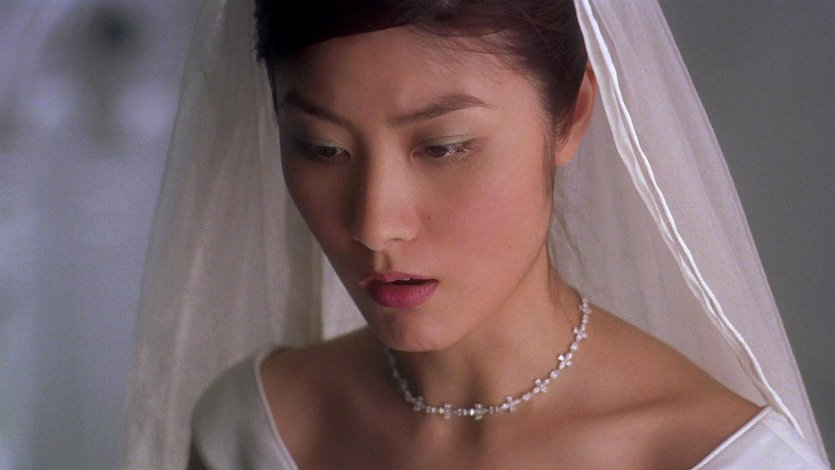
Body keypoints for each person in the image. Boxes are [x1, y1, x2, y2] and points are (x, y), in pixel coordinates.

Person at [123, 0, 830, 468]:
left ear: (571, 117)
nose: (375, 224)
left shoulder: (720, 458)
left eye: (443, 147)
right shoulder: (254, 429)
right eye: (321, 148)